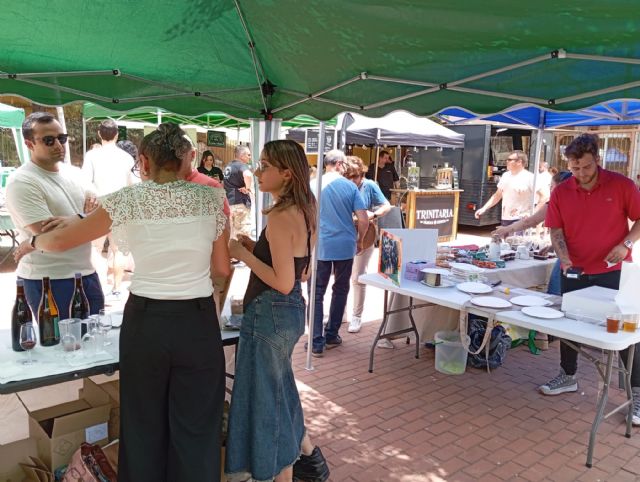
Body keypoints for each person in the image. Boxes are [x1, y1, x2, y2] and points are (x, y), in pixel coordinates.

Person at [15, 122, 231, 481]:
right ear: (186, 161)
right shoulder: (210, 198)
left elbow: (60, 241)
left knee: (143, 425)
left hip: (147, 322)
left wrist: (31, 244)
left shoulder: (126, 201)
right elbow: (221, 267)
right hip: (196, 321)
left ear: (144, 162)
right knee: (196, 427)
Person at [225, 140, 329, 482]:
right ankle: (306, 458)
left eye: (265, 165)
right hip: (286, 312)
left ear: (286, 173)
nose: (257, 171)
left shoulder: (284, 216)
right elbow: (301, 271)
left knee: (267, 401)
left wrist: (243, 255)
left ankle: (282, 472)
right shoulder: (302, 210)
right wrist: (257, 248)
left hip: (271, 312)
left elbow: (283, 281)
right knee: (279, 390)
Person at [539, 134, 640, 423]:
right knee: (569, 325)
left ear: (597, 160)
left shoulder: (622, 185)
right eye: (575, 167)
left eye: (585, 167)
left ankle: (638, 392)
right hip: (576, 270)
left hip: (613, 270)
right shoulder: (562, 191)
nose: (580, 173)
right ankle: (568, 375)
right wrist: (564, 257)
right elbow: (555, 230)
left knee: (625, 332)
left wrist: (627, 245)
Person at [5, 111, 104, 318]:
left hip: (86, 273)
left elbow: (101, 213)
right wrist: (85, 218)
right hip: (49, 279)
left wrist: (79, 218)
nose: (59, 145)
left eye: (62, 138)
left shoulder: (75, 174)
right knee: (62, 347)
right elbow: (49, 237)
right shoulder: (22, 182)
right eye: (49, 140)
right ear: (29, 144)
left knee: (96, 341)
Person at [310, 149, 368, 356]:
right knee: (341, 289)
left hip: (320, 245)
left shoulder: (313, 185)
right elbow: (363, 219)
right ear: (340, 164)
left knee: (316, 293)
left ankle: (316, 341)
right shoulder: (350, 187)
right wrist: (360, 239)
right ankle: (332, 334)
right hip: (344, 245)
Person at [493, 171, 573, 296]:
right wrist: (554, 246)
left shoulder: (557, 203)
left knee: (555, 294)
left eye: (552, 187)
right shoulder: (575, 202)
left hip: (571, 258)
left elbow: (532, 220)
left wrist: (507, 229)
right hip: (572, 255)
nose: (550, 190)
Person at [82, 119, 136, 300]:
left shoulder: (91, 156)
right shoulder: (126, 158)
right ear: (117, 135)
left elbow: (85, 182)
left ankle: (100, 286)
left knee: (95, 249)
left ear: (99, 134)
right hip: (120, 206)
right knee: (118, 249)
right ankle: (117, 287)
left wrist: (93, 197)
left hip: (98, 206)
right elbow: (132, 185)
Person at [342, 155, 390, 333]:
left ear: (361, 175)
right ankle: (342, 313)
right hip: (345, 234)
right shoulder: (342, 186)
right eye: (349, 176)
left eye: (356, 176)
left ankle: (356, 316)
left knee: (358, 277)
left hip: (366, 234)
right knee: (342, 276)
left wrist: (373, 214)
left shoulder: (369, 185)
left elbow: (386, 205)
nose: (353, 180)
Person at [475, 150, 547, 225]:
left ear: (519, 162)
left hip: (522, 219)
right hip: (506, 218)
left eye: (509, 160)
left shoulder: (530, 177)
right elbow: (497, 195)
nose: (506, 161)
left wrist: (533, 213)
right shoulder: (505, 176)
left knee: (516, 237)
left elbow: (545, 196)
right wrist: (484, 208)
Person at [224, 144, 253, 240]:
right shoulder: (241, 165)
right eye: (248, 155)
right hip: (240, 204)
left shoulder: (228, 166)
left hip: (229, 204)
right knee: (243, 235)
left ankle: (232, 254)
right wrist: (248, 188)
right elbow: (248, 175)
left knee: (232, 236)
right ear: (242, 156)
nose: (250, 157)